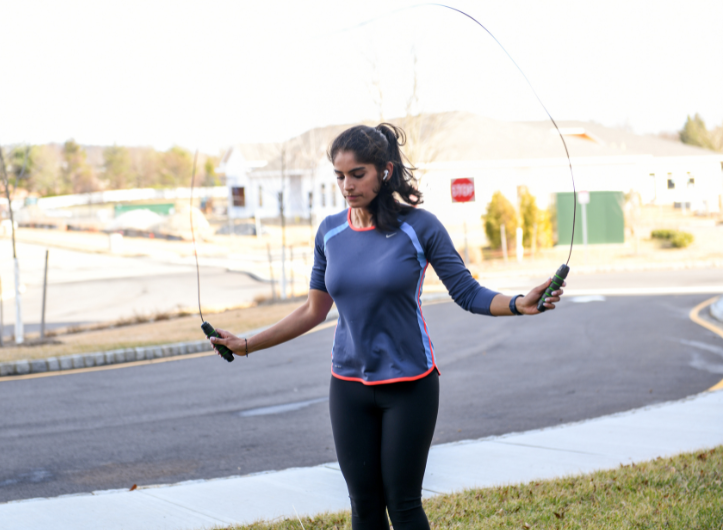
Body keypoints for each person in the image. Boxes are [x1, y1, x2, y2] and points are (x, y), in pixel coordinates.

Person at [210, 123, 565, 530]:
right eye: (339, 175)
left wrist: (519, 304)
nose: (347, 185)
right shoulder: (329, 232)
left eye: (357, 173)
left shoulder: (421, 227)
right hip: (347, 386)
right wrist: (248, 343)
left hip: (410, 385)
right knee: (363, 506)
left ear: (385, 171)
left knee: (403, 504)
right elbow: (312, 311)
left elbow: (467, 292)